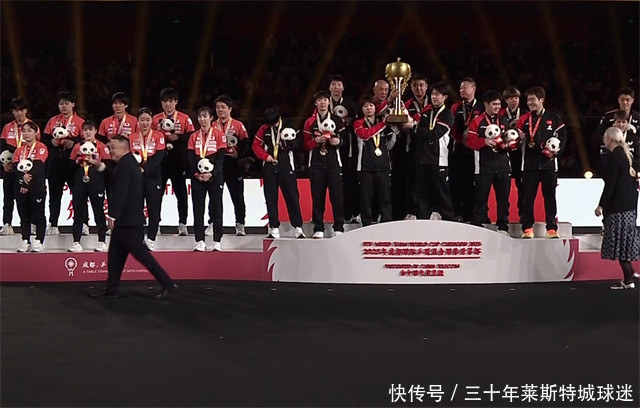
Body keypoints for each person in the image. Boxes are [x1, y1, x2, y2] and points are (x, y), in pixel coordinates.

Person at [92, 135, 177, 299]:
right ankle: (111, 290)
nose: (110, 151)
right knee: (115, 256)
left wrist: (112, 215)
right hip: (125, 221)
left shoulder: (126, 165)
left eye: (113, 148)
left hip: (129, 221)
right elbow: (115, 180)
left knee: (142, 255)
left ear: (124, 148)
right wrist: (100, 166)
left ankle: (167, 283)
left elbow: (120, 191)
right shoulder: (127, 163)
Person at [516, 86, 566, 239]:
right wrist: (518, 138)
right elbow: (516, 140)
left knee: (550, 197)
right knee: (527, 198)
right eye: (528, 100)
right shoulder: (524, 119)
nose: (530, 103)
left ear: (541, 100)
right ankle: (527, 228)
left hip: (548, 165)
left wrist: (556, 153)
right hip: (529, 165)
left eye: (533, 99)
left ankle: (551, 228)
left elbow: (563, 137)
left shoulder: (554, 117)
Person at [595, 127, 639, 290]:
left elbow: (611, 184)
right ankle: (630, 273)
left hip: (619, 207)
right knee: (624, 242)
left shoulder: (614, 157)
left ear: (610, 139)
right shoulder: (624, 155)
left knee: (619, 243)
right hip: (628, 207)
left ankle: (628, 279)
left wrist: (601, 205)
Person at [252, 107, 305, 239]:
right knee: (270, 199)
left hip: (287, 167)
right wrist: (265, 156)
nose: (272, 126)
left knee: (292, 198)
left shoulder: (289, 126)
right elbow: (255, 145)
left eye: (274, 123)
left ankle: (298, 227)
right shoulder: (264, 128)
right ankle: (274, 228)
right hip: (269, 168)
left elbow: (299, 143)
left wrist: (288, 144)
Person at [466, 90, 512, 234]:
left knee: (503, 199)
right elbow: (469, 142)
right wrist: (484, 141)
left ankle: (503, 226)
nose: (497, 107)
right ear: (486, 104)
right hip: (483, 167)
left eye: (499, 104)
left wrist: (510, 144)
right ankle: (477, 225)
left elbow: (511, 139)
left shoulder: (503, 120)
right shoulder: (477, 121)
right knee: (480, 198)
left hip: (503, 166)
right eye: (494, 104)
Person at [303, 90, 347, 238]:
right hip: (316, 164)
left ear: (329, 102)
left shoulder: (337, 120)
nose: (322, 103)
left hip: (334, 163)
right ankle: (318, 228)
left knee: (337, 197)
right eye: (319, 100)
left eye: (325, 100)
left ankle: (339, 227)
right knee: (317, 198)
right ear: (315, 103)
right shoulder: (310, 122)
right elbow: (304, 144)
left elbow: (346, 140)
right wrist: (314, 142)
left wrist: (338, 141)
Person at [152, 87, 195, 236]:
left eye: (170, 101)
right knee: (156, 195)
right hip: (160, 162)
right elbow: (149, 136)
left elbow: (192, 136)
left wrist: (178, 137)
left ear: (176, 102)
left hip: (178, 161)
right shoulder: (155, 119)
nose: (167, 104)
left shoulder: (184, 118)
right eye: (164, 101)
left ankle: (182, 224)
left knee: (181, 194)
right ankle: (155, 224)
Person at [411, 81, 456, 221]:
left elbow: (434, 134)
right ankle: (423, 219)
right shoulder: (426, 113)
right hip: (422, 158)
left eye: (437, 94)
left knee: (442, 193)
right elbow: (418, 129)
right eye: (432, 94)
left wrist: (415, 128)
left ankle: (449, 219)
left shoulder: (447, 114)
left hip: (438, 159)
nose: (434, 97)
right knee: (422, 193)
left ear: (445, 97)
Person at [43, 90, 85, 235]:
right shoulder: (52, 121)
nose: (64, 106)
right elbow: (44, 139)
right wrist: (52, 142)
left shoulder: (80, 122)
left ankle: (83, 223)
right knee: (54, 195)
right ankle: (53, 224)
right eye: (61, 103)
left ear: (73, 104)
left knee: (78, 194)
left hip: (73, 163)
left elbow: (85, 141)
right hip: (55, 162)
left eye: (67, 103)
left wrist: (73, 143)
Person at [208, 95, 249, 237]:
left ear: (230, 109)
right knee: (214, 196)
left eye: (223, 107)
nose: (220, 110)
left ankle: (240, 224)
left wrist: (239, 154)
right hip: (217, 165)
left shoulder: (238, 125)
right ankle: (212, 223)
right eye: (217, 107)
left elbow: (246, 143)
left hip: (233, 165)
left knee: (237, 196)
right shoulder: (212, 125)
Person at [186, 106, 226, 252]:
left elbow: (221, 159)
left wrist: (212, 174)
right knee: (198, 209)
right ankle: (199, 240)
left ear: (211, 118)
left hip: (215, 177)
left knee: (216, 208)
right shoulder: (193, 136)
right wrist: (197, 174)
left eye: (205, 116)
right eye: (200, 116)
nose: (202, 119)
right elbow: (190, 159)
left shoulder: (219, 135)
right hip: (198, 177)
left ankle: (217, 240)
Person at [353, 95, 396, 226]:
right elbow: (365, 135)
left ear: (375, 108)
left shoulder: (382, 122)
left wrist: (394, 130)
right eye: (365, 106)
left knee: (385, 197)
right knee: (366, 198)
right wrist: (383, 124)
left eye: (371, 105)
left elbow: (390, 143)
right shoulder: (358, 123)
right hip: (365, 167)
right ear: (362, 109)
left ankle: (387, 222)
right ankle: (366, 224)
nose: (368, 108)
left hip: (383, 166)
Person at [67, 121, 110, 252]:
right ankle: (76, 241)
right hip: (80, 183)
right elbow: (70, 166)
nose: (87, 132)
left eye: (90, 130)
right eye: (85, 130)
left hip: (96, 183)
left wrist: (94, 162)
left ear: (95, 131)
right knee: (78, 211)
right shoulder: (77, 147)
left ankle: (102, 241)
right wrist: (78, 160)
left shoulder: (101, 146)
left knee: (98, 211)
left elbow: (108, 166)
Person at [395, 73, 429, 220]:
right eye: (415, 85)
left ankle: (429, 211)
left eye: (421, 85)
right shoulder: (406, 105)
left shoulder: (433, 104)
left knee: (429, 180)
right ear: (410, 87)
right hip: (412, 147)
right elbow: (403, 126)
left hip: (430, 148)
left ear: (426, 87)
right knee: (412, 180)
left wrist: (414, 125)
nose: (418, 88)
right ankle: (411, 211)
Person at [130, 108, 166, 251]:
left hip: (153, 177)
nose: (144, 123)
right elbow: (128, 156)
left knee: (153, 208)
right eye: (142, 120)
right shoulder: (132, 137)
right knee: (136, 208)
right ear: (137, 121)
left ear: (152, 121)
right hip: (136, 178)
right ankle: (138, 238)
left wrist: (144, 169)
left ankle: (151, 238)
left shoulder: (158, 135)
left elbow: (159, 157)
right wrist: (136, 169)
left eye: (147, 120)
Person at [450, 77, 484, 222]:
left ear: (473, 89)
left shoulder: (481, 107)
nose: (462, 90)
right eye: (460, 88)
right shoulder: (455, 107)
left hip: (475, 150)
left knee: (472, 182)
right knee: (457, 181)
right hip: (459, 148)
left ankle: (471, 214)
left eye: (465, 87)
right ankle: (457, 213)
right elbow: (451, 127)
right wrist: (459, 140)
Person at [1, 97, 35, 235]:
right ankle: (7, 224)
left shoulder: (33, 126)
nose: (19, 113)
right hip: (10, 168)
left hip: (26, 168)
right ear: (12, 111)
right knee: (8, 197)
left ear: (26, 110)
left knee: (28, 197)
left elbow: (36, 147)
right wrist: (4, 164)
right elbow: (2, 148)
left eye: (21, 110)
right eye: (16, 110)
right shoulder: (7, 127)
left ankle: (31, 224)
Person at [328, 75, 360, 225]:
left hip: (347, 147)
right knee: (332, 182)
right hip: (328, 147)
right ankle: (332, 214)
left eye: (339, 85)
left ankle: (353, 212)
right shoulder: (324, 102)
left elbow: (356, 122)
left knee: (349, 179)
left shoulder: (350, 104)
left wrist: (347, 122)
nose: (336, 87)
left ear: (343, 88)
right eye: (333, 85)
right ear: (330, 88)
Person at [13, 122, 48, 252]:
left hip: (37, 187)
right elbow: (16, 168)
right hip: (21, 187)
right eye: (24, 131)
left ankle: (39, 240)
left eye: (29, 131)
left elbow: (38, 166)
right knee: (24, 215)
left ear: (36, 132)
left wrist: (27, 181)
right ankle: (25, 240)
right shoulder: (19, 150)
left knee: (38, 214)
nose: (26, 133)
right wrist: (23, 180)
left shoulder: (41, 147)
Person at [596, 88, 639, 177]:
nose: (625, 102)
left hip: (632, 156)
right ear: (618, 100)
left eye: (628, 100)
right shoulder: (608, 117)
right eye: (622, 100)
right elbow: (600, 135)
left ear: (632, 100)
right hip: (611, 158)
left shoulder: (638, 118)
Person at [499, 87, 527, 217]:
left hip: (521, 153)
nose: (514, 100)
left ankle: (523, 213)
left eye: (516, 98)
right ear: (506, 100)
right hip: (505, 153)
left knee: (522, 184)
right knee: (504, 185)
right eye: (511, 98)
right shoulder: (500, 115)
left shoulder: (526, 114)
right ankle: (504, 215)